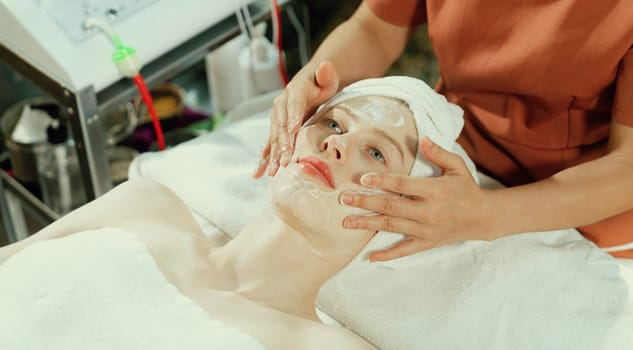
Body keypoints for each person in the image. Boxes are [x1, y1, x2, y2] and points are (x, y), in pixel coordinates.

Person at [0, 80, 447, 349]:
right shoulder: (144, 205)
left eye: (375, 153)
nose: (337, 144)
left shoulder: (324, 346)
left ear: (401, 216)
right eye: (333, 124)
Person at [253, 0, 633, 259]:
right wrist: (318, 79)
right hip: (450, 154)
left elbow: (627, 168)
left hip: (580, 210)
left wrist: (487, 215)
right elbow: (374, 29)